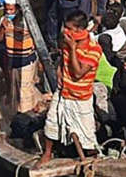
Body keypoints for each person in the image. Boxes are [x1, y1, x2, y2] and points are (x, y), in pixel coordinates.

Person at [39, 10, 102, 166]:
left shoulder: (93, 49)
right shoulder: (66, 41)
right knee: (52, 122)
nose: (65, 31)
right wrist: (60, 69)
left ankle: (93, 160)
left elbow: (78, 72)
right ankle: (47, 154)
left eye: (69, 28)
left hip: (81, 97)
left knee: (87, 134)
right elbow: (63, 57)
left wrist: (73, 49)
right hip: (63, 91)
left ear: (80, 30)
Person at [0, 0, 41, 113]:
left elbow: (36, 40)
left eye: (11, 10)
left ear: (17, 9)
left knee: (24, 88)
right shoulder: (3, 21)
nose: (9, 12)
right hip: (13, 60)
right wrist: (3, 29)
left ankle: (25, 112)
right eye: (7, 9)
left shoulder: (27, 22)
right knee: (18, 86)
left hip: (27, 60)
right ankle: (24, 108)